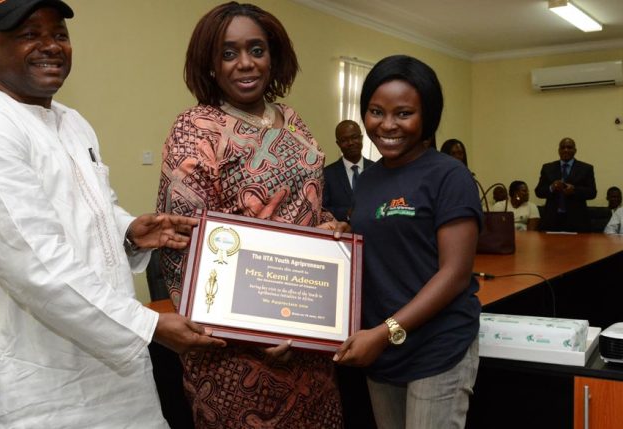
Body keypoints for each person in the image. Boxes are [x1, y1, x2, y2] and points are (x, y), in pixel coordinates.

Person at [0, 1, 225, 427]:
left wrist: (128, 231)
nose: (50, 46)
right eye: (30, 34)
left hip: (109, 374)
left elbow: (85, 208)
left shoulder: (72, 122)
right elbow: (35, 264)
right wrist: (149, 325)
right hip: (27, 384)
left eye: (59, 34)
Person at [156, 2, 347, 427]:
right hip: (236, 354)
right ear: (209, 63)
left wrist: (331, 229)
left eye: (256, 49)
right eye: (228, 53)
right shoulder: (195, 128)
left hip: (307, 337)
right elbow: (182, 243)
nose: (245, 63)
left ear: (273, 55)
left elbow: (306, 203)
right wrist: (256, 329)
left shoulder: (294, 121)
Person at [333, 55, 482, 429]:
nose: (387, 125)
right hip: (382, 351)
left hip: (436, 347)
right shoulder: (366, 179)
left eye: (403, 113)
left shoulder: (450, 176)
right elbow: (381, 243)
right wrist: (341, 238)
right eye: (375, 111)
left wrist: (385, 333)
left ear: (427, 116)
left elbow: (454, 275)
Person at [534, 137, 597, 232]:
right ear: (558, 150)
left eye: (569, 147)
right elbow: (539, 192)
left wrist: (575, 190)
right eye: (562, 147)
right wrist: (551, 187)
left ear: (575, 150)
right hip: (552, 220)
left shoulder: (586, 168)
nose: (565, 150)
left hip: (577, 220)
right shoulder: (547, 168)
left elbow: (592, 193)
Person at [323, 119, 375, 221]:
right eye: (344, 140)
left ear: (361, 138)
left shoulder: (377, 170)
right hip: (342, 234)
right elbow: (322, 209)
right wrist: (347, 213)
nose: (350, 143)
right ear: (338, 144)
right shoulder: (327, 174)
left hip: (373, 232)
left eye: (354, 137)